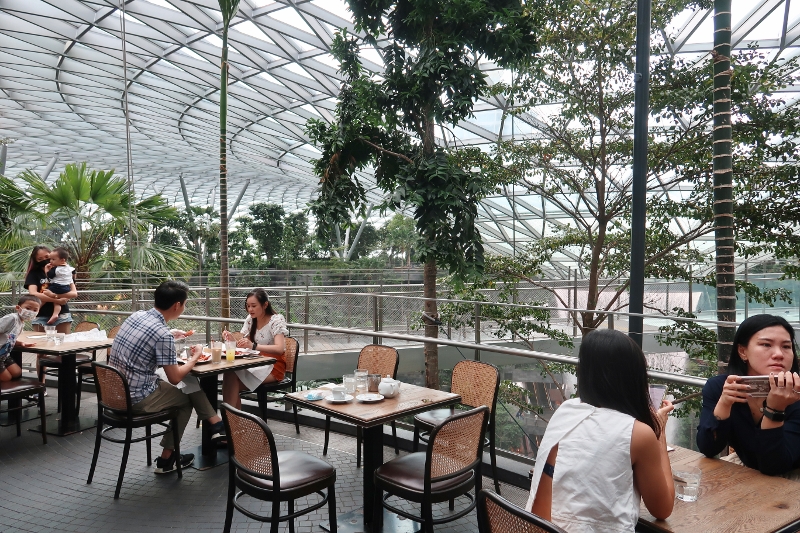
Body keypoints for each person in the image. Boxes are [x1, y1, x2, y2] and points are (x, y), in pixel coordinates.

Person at [526, 329, 674, 532]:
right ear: (633, 378)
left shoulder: (566, 410)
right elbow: (663, 509)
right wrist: (660, 432)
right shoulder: (638, 434)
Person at [109, 280, 226, 474]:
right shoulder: (162, 334)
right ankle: (168, 458)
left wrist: (171, 334)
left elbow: (148, 336)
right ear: (177, 305)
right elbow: (175, 377)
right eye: (185, 303)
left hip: (114, 392)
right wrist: (196, 356)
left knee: (189, 383)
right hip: (135, 398)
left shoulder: (137, 316)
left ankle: (215, 424)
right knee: (185, 398)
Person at [697, 314, 800, 477]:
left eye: (786, 347)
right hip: (748, 474)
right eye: (766, 344)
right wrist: (724, 403)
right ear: (742, 351)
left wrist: (775, 409)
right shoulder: (721, 387)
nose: (779, 354)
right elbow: (708, 448)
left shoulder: (797, 394)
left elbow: (775, 466)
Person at [221, 288, 288, 409]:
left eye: (253, 306)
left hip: (273, 366)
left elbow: (280, 349)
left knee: (231, 381)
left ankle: (232, 422)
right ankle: (233, 422)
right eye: (248, 306)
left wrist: (254, 346)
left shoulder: (276, 320)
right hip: (255, 363)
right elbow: (244, 344)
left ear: (265, 304)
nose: (250, 309)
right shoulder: (250, 319)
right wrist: (231, 339)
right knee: (229, 374)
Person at [24, 245, 76, 334]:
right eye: (40, 259)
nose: (45, 260)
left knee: (63, 345)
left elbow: (73, 293)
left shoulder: (65, 270)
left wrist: (58, 297)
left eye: (47, 257)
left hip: (62, 315)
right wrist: (57, 299)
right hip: (40, 316)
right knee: (42, 346)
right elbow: (33, 294)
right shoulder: (33, 274)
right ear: (35, 260)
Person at [0, 295, 41, 382]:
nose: (31, 312)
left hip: (4, 356)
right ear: (18, 308)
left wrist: (20, 343)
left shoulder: (21, 323)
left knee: (17, 372)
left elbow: (8, 338)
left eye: (35, 310)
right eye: (28, 308)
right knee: (7, 378)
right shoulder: (12, 318)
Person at [42, 247, 76, 325]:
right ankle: (55, 314)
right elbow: (73, 278)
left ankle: (37, 310)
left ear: (62, 260)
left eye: (53, 259)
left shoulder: (56, 269)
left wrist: (46, 270)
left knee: (44, 295)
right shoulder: (70, 268)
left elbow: (49, 276)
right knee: (57, 303)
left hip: (56, 287)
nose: (50, 261)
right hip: (66, 287)